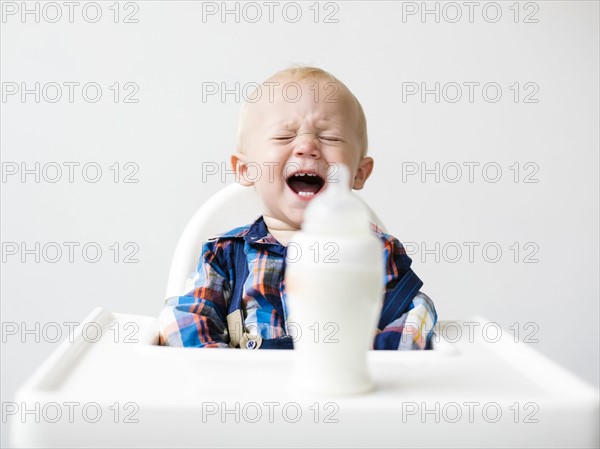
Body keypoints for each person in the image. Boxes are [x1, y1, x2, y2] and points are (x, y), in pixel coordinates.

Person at [159, 66, 437, 350]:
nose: (307, 146)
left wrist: (376, 356)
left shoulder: (376, 253)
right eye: (283, 137)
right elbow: (180, 320)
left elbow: (419, 314)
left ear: (359, 173)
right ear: (245, 169)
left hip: (343, 390)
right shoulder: (224, 256)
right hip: (245, 391)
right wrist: (220, 371)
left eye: (330, 137)